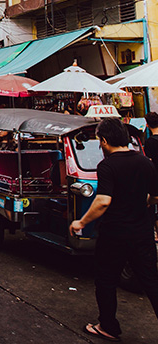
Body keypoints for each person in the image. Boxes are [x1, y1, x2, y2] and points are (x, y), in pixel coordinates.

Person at [69, 117, 158, 341]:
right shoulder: (146, 163)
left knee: (107, 280)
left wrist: (81, 222)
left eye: (100, 141)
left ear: (105, 141)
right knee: (151, 281)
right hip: (142, 234)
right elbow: (155, 196)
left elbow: (103, 201)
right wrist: (141, 202)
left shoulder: (107, 165)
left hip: (115, 235)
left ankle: (108, 326)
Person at [144, 111, 158, 239]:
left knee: (153, 205)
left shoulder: (150, 142)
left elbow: (149, 162)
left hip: (155, 177)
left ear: (147, 125)